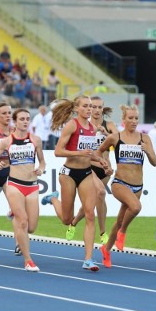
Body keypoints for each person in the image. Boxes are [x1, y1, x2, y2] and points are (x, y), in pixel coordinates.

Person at [42, 96, 110, 271]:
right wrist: (79, 152)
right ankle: (53, 199)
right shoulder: (72, 125)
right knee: (67, 219)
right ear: (77, 109)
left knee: (90, 214)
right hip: (69, 174)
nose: (89, 109)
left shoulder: (93, 128)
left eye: (91, 106)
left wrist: (100, 160)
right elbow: (58, 151)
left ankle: (88, 259)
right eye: (86, 106)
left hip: (87, 173)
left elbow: (90, 153)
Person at [96, 104, 156, 267]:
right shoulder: (115, 137)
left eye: (136, 118)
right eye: (130, 118)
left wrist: (148, 151)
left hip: (138, 186)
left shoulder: (145, 138)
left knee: (120, 220)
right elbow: (98, 152)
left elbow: (155, 162)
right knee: (136, 207)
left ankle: (106, 250)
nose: (134, 121)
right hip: (120, 183)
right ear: (123, 120)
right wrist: (105, 164)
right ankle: (122, 233)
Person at [0, 108, 45, 271]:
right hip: (14, 185)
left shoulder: (36, 140)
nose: (25, 121)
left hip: (32, 186)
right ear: (15, 121)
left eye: (27, 118)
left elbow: (42, 162)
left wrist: (41, 169)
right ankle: (28, 260)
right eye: (21, 119)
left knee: (32, 227)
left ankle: (15, 213)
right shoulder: (7, 142)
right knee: (23, 222)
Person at [63, 96, 117, 243]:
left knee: (92, 202)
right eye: (93, 107)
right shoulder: (86, 125)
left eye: (100, 107)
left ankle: (73, 223)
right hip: (88, 166)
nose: (96, 110)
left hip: (105, 169)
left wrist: (106, 134)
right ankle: (102, 233)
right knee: (100, 192)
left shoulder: (109, 125)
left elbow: (118, 141)